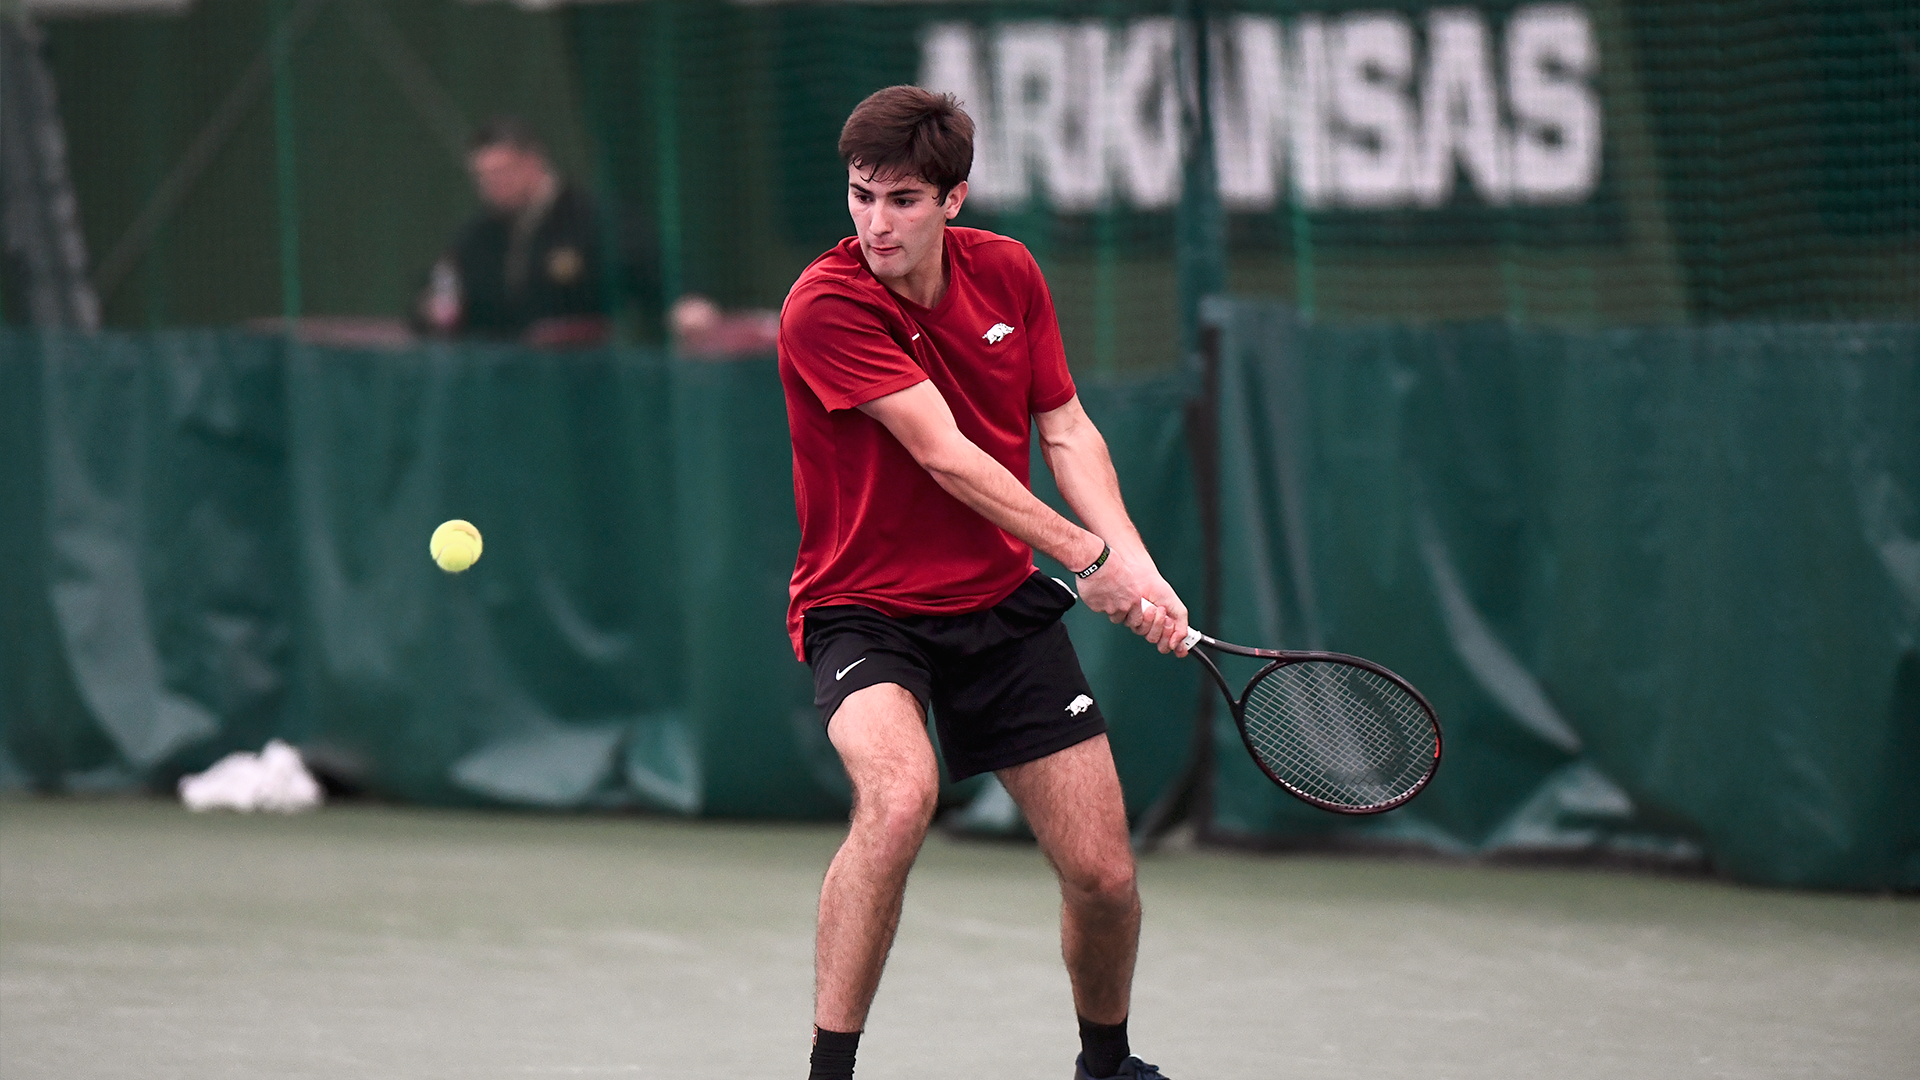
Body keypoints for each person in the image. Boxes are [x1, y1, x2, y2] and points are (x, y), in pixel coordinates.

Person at [777, 85, 1192, 1080]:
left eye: (903, 200)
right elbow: (949, 458)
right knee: (898, 797)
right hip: (863, 611)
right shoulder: (825, 305)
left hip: (996, 609)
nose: (876, 221)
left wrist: (1130, 557)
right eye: (860, 195)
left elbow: (1066, 429)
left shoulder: (1008, 274)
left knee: (1103, 875)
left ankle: (1108, 1066)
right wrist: (1086, 559)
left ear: (952, 200)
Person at [417, 117, 633, 347]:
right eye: (482, 177)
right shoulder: (477, 236)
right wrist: (431, 307)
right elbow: (442, 287)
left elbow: (650, 275)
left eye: (501, 172)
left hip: (581, 371)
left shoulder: (590, 220)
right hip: (498, 371)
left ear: (533, 162)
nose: (492, 184)